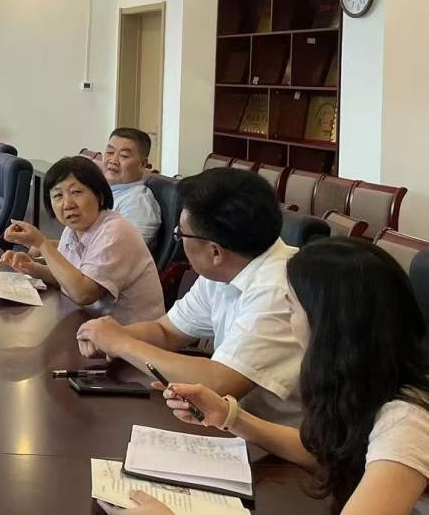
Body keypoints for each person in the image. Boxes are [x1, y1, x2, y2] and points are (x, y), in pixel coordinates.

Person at [126, 238, 429, 515]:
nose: (288, 318)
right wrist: (229, 416)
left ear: (326, 326)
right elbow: (324, 453)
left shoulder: (405, 420)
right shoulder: (364, 382)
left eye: (292, 307)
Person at [75, 167, 304, 424]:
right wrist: (106, 336)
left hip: (278, 439)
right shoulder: (227, 267)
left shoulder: (278, 288)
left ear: (214, 252)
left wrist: (122, 344)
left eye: (180, 234)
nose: (178, 240)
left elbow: (220, 382)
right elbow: (167, 331)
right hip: (234, 423)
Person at [0, 156, 165, 323]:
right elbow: (66, 280)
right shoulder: (73, 230)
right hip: (90, 325)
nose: (67, 204)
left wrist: (42, 243)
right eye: (58, 195)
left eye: (76, 192)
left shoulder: (115, 231)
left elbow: (83, 293)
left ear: (99, 195)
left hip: (130, 334)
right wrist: (30, 267)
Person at [103, 127, 160, 250]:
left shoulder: (138, 204)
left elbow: (124, 253)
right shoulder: (106, 192)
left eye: (124, 155)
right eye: (110, 152)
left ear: (142, 164)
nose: (113, 161)